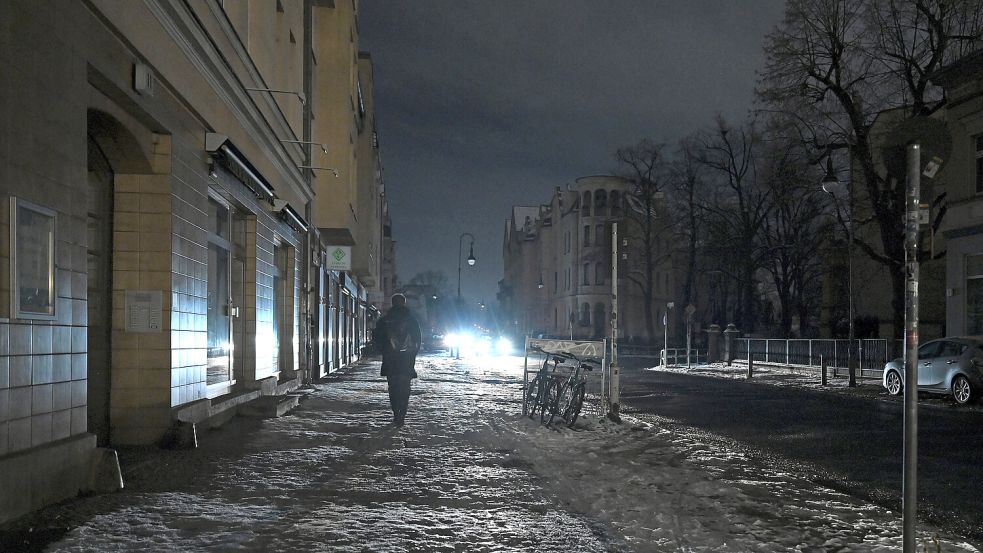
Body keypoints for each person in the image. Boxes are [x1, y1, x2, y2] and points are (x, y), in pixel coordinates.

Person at [373, 293, 422, 426]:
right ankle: (402, 414)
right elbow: (418, 340)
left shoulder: (384, 320)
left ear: (392, 303)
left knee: (393, 387)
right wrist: (412, 354)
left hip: (390, 360)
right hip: (406, 360)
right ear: (404, 303)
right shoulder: (412, 320)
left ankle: (396, 413)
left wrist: (384, 351)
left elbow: (377, 339)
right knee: (405, 388)